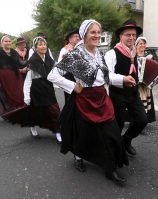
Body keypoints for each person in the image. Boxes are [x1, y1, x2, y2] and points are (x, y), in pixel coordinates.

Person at [48, 19, 129, 183]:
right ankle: (79, 157)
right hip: (85, 99)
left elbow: (105, 77)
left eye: (99, 32)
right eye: (93, 32)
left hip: (102, 98)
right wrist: (72, 85)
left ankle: (109, 167)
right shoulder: (75, 55)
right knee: (84, 134)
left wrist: (123, 79)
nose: (97, 35)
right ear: (84, 34)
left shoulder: (99, 54)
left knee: (111, 133)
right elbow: (52, 75)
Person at [104, 19, 148, 156]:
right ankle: (114, 154)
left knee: (142, 120)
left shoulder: (134, 52)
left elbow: (137, 71)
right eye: (128, 35)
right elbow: (107, 76)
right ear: (121, 37)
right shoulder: (111, 53)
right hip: (117, 94)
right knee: (118, 124)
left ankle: (126, 140)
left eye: (133, 35)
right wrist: (122, 79)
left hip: (133, 93)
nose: (131, 38)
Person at [23, 37, 61, 144]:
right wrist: (26, 96)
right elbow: (28, 80)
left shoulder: (50, 60)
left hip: (48, 89)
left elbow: (58, 70)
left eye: (44, 44)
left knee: (55, 111)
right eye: (40, 44)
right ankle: (33, 128)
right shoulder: (32, 61)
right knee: (35, 112)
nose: (43, 46)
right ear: (35, 48)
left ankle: (58, 131)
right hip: (36, 90)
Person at [0, 35, 28, 119]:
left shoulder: (14, 52)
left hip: (16, 76)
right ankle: (10, 113)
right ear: (2, 43)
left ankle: (19, 111)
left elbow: (21, 63)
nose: (8, 43)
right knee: (8, 95)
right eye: (6, 41)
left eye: (9, 41)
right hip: (5, 76)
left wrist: (30, 60)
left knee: (19, 93)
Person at [135, 36, 156, 123]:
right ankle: (138, 121)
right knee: (139, 103)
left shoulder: (149, 56)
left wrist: (156, 78)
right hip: (137, 84)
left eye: (144, 43)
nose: (143, 45)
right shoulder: (133, 57)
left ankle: (144, 120)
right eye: (141, 43)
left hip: (147, 84)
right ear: (136, 45)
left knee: (146, 103)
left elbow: (154, 69)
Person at [57, 29, 80, 101]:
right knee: (70, 100)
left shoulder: (79, 48)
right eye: (75, 36)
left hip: (79, 79)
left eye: (78, 36)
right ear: (70, 39)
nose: (78, 38)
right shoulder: (65, 50)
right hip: (69, 78)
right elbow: (60, 66)